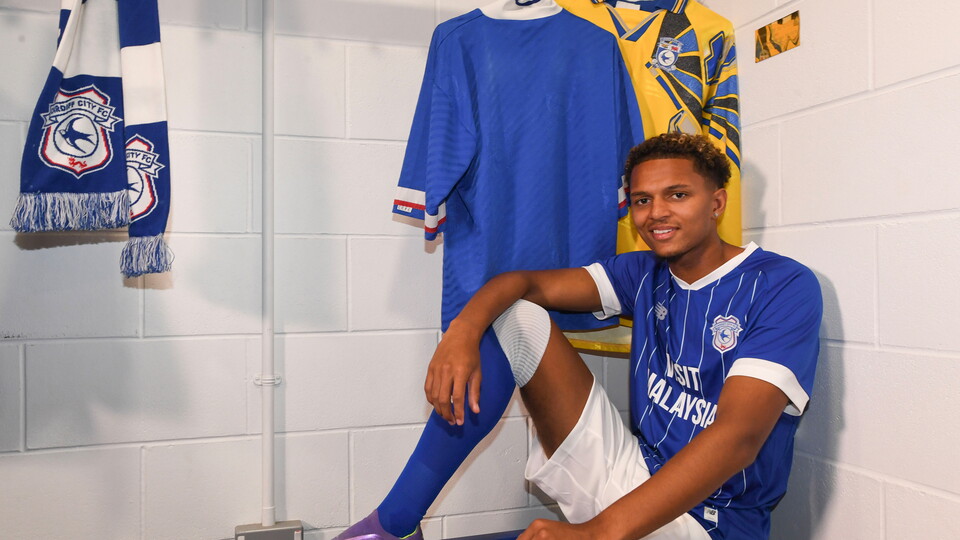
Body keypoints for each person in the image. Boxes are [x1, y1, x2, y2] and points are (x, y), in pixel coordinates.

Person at [336, 133, 822, 540]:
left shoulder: (782, 285)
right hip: (634, 476)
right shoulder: (645, 271)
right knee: (517, 317)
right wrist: (462, 331)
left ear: (716, 202)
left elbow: (737, 439)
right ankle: (390, 526)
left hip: (709, 525)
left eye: (678, 194)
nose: (656, 213)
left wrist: (597, 533)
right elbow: (524, 284)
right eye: (641, 200)